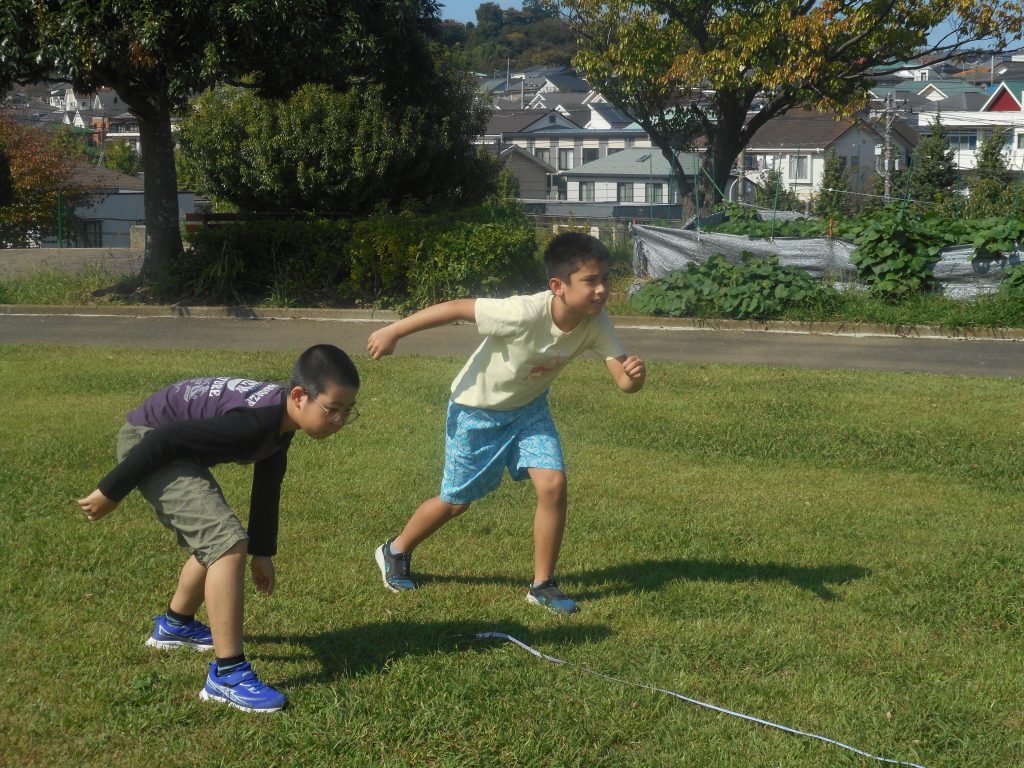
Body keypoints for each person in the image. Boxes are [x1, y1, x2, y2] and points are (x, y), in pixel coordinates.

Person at [367, 232, 646, 614]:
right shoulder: (522, 312)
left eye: (605, 280)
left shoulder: (596, 322)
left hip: (529, 408)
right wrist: (393, 331)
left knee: (553, 483)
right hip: (476, 409)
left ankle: (542, 584)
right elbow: (456, 308)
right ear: (557, 286)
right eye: (590, 281)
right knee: (455, 502)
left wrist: (635, 375)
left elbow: (624, 383)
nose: (601, 290)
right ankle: (395, 549)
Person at [76, 344, 360, 712]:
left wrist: (263, 551)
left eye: (347, 412)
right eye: (332, 409)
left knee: (221, 539)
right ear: (299, 396)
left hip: (168, 442)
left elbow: (267, 484)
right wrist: (110, 491)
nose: (338, 421)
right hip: (148, 442)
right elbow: (164, 439)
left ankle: (176, 625)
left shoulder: (280, 419)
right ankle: (227, 675)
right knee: (225, 544)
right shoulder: (254, 422)